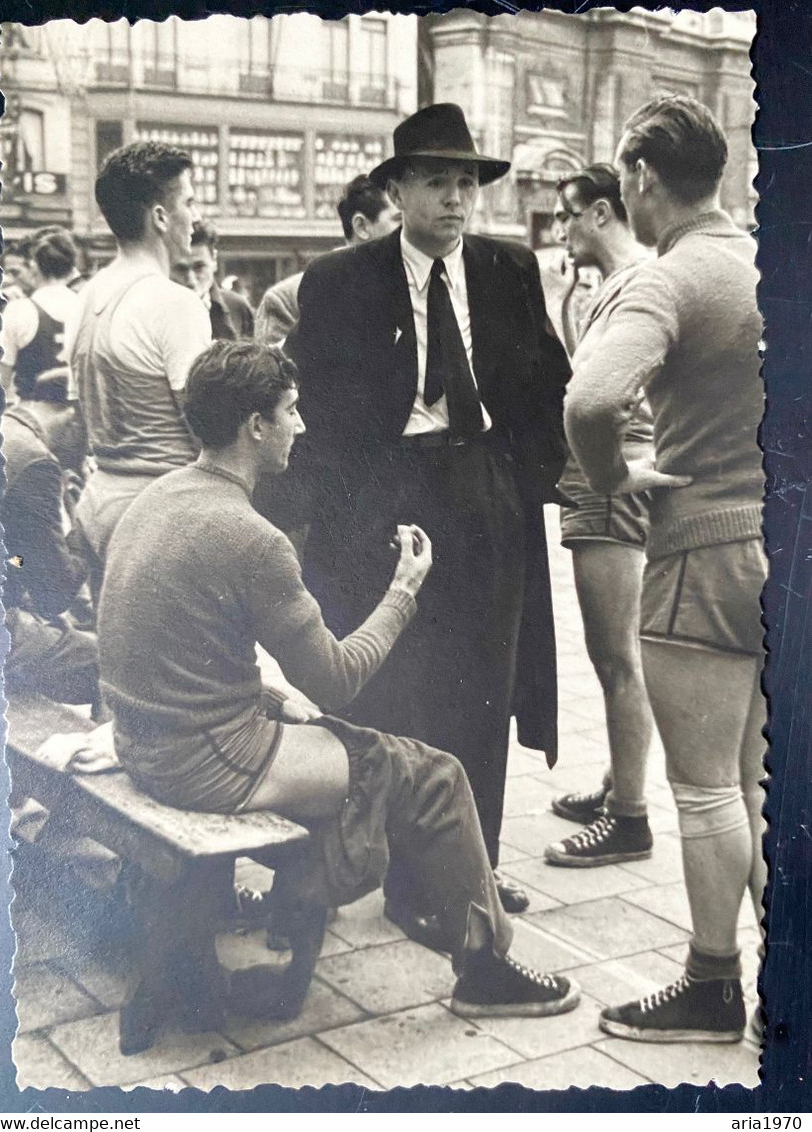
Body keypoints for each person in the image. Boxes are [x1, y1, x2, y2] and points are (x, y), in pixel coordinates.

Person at [96, 338, 581, 1027]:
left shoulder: (153, 500)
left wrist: (262, 696)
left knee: (343, 751)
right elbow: (337, 680)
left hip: (143, 742)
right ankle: (486, 968)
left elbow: (157, 650)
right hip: (201, 762)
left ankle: (297, 927)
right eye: (290, 411)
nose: (302, 425)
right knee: (431, 774)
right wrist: (403, 592)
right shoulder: (251, 536)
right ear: (254, 426)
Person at [286, 104, 572, 938]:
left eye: (467, 184)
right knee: (407, 685)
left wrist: (529, 480)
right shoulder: (340, 281)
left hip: (485, 491)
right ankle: (412, 882)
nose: (456, 200)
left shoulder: (509, 269)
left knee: (487, 680)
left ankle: (469, 869)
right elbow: (323, 418)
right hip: (391, 498)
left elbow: (547, 382)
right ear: (397, 189)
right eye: (437, 183)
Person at [565, 95, 765, 1042]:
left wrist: (616, 477)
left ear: (642, 179)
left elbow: (591, 397)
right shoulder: (769, 260)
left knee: (705, 788)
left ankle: (711, 984)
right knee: (763, 781)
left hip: (701, 554)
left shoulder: (670, 278)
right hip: (781, 543)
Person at [543, 164, 657, 867]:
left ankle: (630, 817)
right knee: (614, 650)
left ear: (602, 214)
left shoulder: (640, 283)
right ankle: (621, 782)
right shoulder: (609, 287)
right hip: (599, 473)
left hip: (610, 474)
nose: (560, 228)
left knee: (615, 654)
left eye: (567, 215)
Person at [67, 141, 212, 601]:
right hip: (163, 510)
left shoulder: (88, 294)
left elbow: (80, 409)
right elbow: (206, 427)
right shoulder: (174, 302)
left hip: (101, 499)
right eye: (188, 201)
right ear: (160, 217)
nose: (195, 214)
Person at [1, 370, 99, 709]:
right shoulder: (36, 461)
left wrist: (19, 565)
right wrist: (86, 516)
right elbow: (54, 595)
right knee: (116, 667)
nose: (88, 451)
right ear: (73, 417)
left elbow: (11, 556)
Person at [254, 174, 402, 346]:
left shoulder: (423, 291)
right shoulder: (286, 300)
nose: (411, 231)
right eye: (400, 220)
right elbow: (270, 370)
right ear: (361, 226)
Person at [0, 228, 81, 404]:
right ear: (70, 269)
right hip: (82, 418)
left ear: (34, 267)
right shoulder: (88, 308)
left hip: (34, 419)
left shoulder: (18, 310)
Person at [170, 219, 255, 340]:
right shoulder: (158, 311)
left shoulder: (237, 306)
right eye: (181, 269)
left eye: (199, 267)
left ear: (214, 260)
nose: (191, 280)